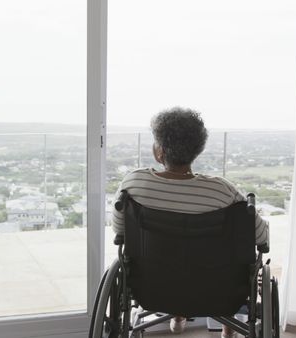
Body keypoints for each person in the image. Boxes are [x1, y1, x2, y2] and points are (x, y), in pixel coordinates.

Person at [111, 107, 269, 337]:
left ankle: (178, 313)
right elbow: (261, 238)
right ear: (197, 150)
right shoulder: (223, 191)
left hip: (152, 288)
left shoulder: (134, 183)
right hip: (216, 290)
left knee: (173, 255)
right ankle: (228, 326)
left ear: (160, 152)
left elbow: (119, 231)